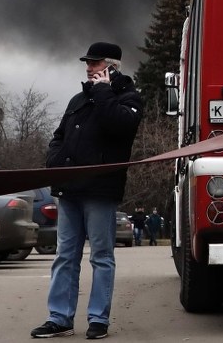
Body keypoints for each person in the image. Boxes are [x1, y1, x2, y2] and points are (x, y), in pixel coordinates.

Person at [31, 41, 143, 340]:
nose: (87, 67)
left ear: (110, 66)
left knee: (101, 257)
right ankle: (59, 318)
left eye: (94, 63)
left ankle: (98, 320)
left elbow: (121, 127)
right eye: (88, 62)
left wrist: (104, 91)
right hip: (69, 190)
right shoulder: (77, 100)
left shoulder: (129, 98)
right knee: (65, 256)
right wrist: (56, 161)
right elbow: (58, 136)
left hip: (101, 191)